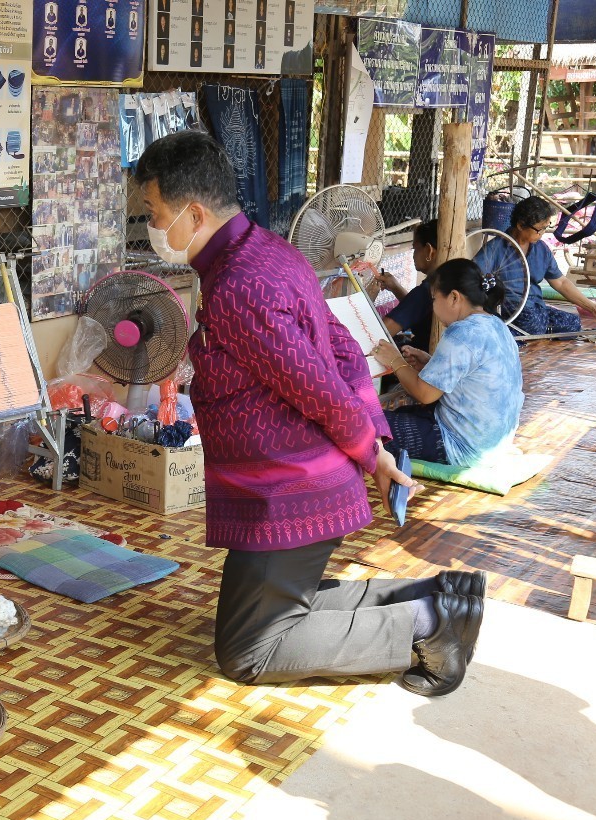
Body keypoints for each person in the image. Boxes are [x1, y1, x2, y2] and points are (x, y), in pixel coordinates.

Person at [133, 131, 483, 697]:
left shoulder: (239, 284)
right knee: (279, 608)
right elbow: (343, 346)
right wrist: (379, 434)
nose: (151, 227)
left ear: (193, 213)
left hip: (289, 490)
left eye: (154, 213)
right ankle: (438, 598)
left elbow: (317, 387)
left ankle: (428, 628)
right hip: (287, 484)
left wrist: (372, 449)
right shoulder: (271, 252)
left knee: (251, 649)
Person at [372, 259, 523, 468]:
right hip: (493, 444)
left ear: (453, 297)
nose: (433, 307)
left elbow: (424, 394)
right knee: (392, 417)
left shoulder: (461, 332)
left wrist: (394, 360)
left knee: (365, 425)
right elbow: (470, 375)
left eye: (434, 299)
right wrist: (429, 362)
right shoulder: (497, 325)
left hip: (463, 448)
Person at [473, 196, 596, 334]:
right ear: (520, 225)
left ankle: (531, 331)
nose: (542, 234)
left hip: (536, 308)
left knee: (573, 322)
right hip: (511, 310)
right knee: (532, 322)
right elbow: (472, 277)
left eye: (546, 228)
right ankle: (526, 330)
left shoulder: (541, 249)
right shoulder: (495, 248)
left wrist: (594, 308)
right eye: (539, 229)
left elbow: (561, 282)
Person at [376, 219, 440, 354]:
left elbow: (380, 334)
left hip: (422, 360)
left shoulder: (428, 290)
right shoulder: (455, 277)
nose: (413, 255)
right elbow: (417, 308)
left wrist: (366, 297)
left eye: (415, 248)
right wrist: (395, 287)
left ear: (429, 250)